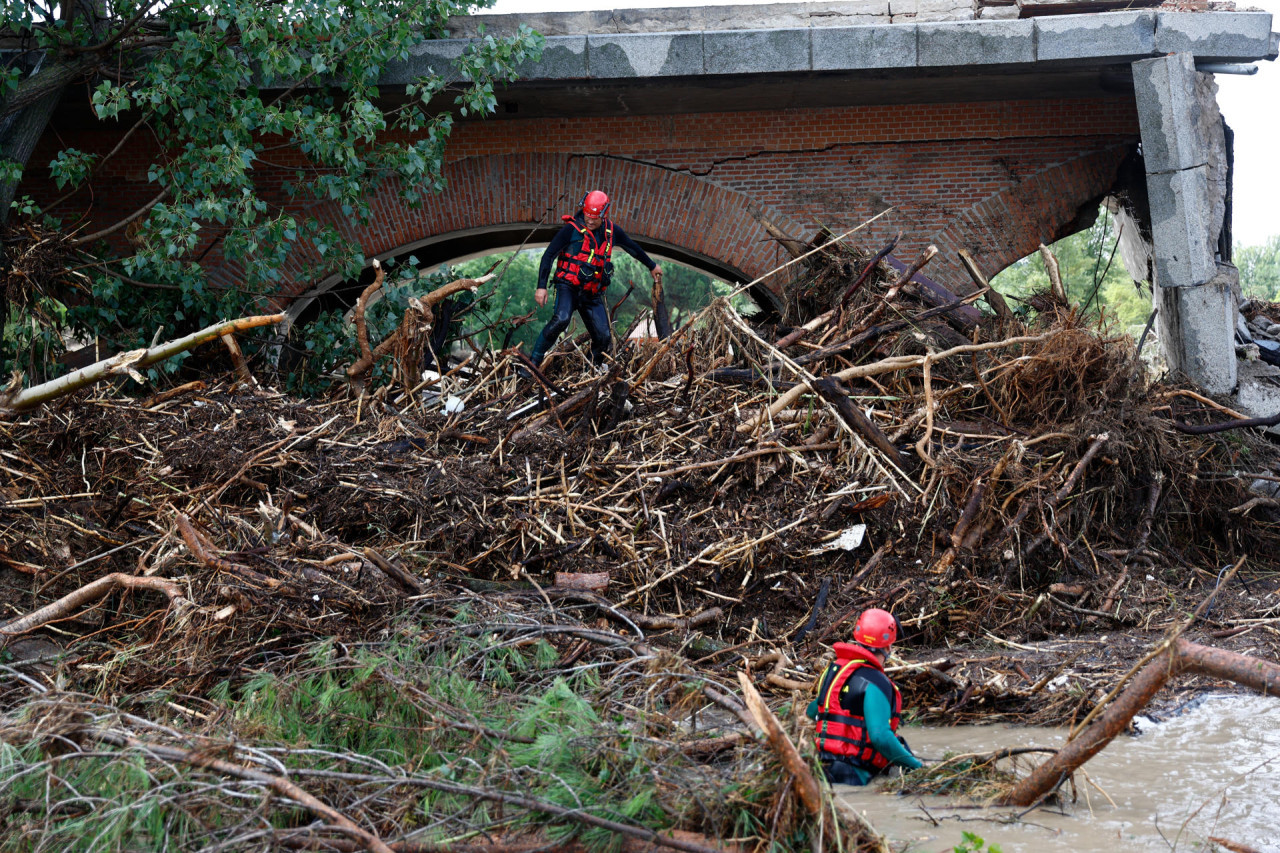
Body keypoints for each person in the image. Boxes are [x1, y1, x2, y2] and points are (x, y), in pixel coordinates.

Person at [529, 190, 663, 370]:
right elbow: (548, 256)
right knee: (561, 319)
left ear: (604, 214)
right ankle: (533, 362)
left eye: (594, 218)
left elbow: (633, 248)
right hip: (567, 286)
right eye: (587, 216)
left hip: (591, 292)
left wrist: (652, 265)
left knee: (604, 337)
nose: (590, 221)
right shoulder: (571, 229)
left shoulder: (612, 231)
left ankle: (591, 371)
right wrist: (541, 287)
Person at [807, 607, 923, 785]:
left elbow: (812, 711)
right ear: (888, 646)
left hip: (821, 769)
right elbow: (880, 737)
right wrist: (918, 768)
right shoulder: (877, 682)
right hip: (854, 775)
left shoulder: (834, 672)